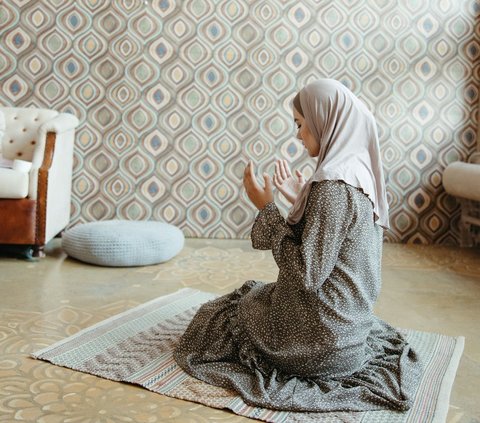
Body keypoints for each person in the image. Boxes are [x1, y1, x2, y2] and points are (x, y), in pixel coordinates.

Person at [174, 79, 421, 412]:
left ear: (325, 121)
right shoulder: (359, 175)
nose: (298, 135)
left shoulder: (332, 187)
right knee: (255, 295)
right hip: (348, 336)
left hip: (317, 343)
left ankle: (290, 350)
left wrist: (267, 208)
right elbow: (336, 245)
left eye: (301, 125)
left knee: (217, 317)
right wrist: (300, 198)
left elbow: (306, 274)